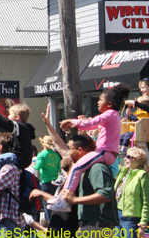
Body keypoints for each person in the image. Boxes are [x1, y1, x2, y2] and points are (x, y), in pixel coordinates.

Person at [50, 83, 130, 212]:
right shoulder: (114, 115)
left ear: (109, 104)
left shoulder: (110, 114)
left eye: (100, 99)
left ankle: (64, 199)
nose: (98, 102)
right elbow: (92, 125)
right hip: (106, 153)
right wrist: (75, 124)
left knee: (76, 167)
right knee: (77, 167)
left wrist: (72, 121)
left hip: (104, 152)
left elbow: (91, 122)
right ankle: (63, 197)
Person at [58, 134, 118, 238]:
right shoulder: (86, 168)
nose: (69, 153)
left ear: (80, 150)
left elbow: (105, 195)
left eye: (70, 149)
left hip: (96, 228)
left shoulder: (97, 168)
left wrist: (75, 200)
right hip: (92, 227)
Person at [0, 101, 36, 171]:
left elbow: (6, 123)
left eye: (9, 114)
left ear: (17, 117)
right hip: (17, 156)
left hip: (21, 158)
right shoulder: (19, 130)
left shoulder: (21, 127)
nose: (8, 117)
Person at [113, 146, 149, 238]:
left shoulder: (142, 176)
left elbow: (146, 202)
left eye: (129, 157)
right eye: (125, 156)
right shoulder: (123, 173)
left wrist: (143, 223)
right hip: (118, 216)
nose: (125, 159)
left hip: (132, 220)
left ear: (137, 160)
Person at [35, 135, 62, 221]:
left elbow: (37, 167)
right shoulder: (56, 155)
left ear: (43, 144)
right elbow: (58, 169)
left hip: (46, 181)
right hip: (55, 182)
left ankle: (48, 222)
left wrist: (33, 165)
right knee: (55, 203)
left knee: (46, 203)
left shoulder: (41, 155)